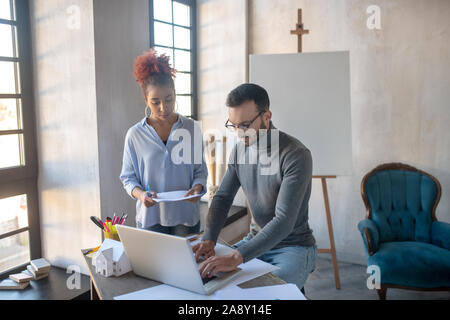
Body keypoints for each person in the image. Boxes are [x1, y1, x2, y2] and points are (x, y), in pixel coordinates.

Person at [193, 83, 317, 291]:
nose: (239, 134)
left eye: (245, 125)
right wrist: (209, 239)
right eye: (233, 125)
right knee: (205, 275)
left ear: (267, 117)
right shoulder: (239, 151)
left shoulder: (296, 155)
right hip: (255, 241)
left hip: (293, 247)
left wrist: (236, 257)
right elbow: (223, 197)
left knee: (267, 290)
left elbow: (284, 221)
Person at [120, 48, 207, 236]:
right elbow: (128, 178)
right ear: (145, 100)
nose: (163, 107)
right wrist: (141, 195)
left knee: (186, 265)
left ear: (175, 94)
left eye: (169, 99)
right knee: (152, 266)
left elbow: (200, 171)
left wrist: (197, 188)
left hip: (186, 216)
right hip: (151, 218)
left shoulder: (191, 129)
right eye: (155, 102)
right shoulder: (135, 135)